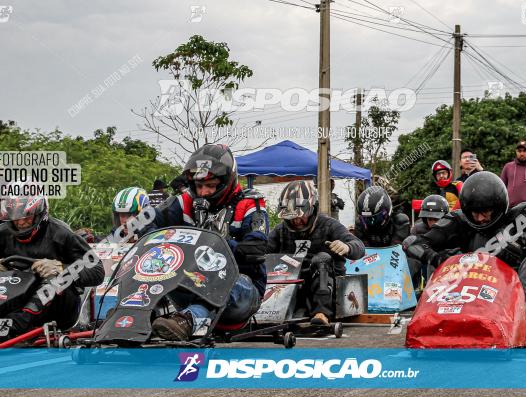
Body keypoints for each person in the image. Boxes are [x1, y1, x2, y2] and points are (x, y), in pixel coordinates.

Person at [0, 191, 104, 343]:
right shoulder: (3, 231)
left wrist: (61, 267)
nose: (20, 222)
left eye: (26, 217)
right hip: (16, 293)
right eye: (15, 216)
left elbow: (97, 270)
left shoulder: (61, 233)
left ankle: (13, 326)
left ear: (39, 213)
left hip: (59, 305)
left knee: (54, 281)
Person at [406, 171, 526, 336]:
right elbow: (412, 242)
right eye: (475, 212)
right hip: (469, 288)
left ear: (498, 207)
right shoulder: (458, 220)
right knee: (440, 258)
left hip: (510, 290)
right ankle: (433, 317)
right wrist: (436, 257)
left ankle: (520, 320)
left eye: (485, 212)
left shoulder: (521, 215)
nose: (480, 218)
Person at [149, 144, 269, 341]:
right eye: (199, 185)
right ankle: (130, 318)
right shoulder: (184, 201)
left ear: (226, 181)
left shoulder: (250, 204)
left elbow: (258, 247)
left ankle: (189, 320)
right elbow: (149, 220)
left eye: (210, 185)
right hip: (189, 282)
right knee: (154, 264)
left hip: (242, 290)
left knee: (223, 279)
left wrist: (220, 246)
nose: (203, 192)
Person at [268, 180, 365, 326]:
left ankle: (322, 313)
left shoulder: (330, 225)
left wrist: (347, 247)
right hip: (292, 289)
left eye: (301, 215)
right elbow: (263, 253)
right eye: (291, 216)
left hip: (328, 290)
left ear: (312, 209)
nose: (296, 220)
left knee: (322, 258)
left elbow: (360, 247)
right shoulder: (280, 230)